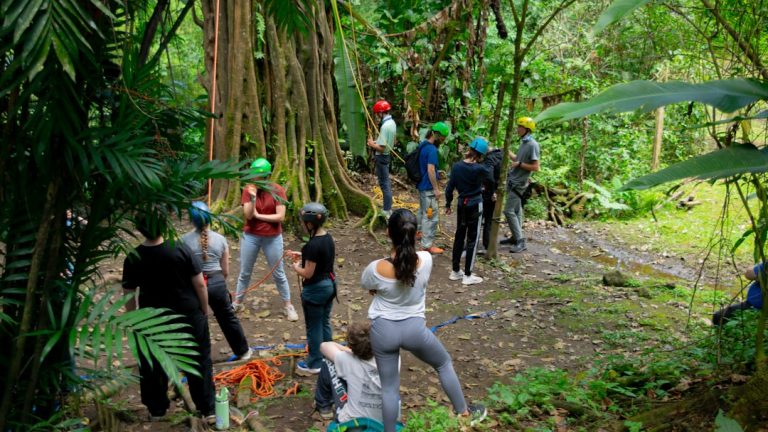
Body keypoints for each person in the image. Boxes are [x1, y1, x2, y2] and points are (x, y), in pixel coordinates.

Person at [361, 209, 486, 432]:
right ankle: (464, 412)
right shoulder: (427, 260)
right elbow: (409, 276)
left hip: (383, 331)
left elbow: (368, 285)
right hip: (414, 330)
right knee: (443, 363)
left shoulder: (375, 267)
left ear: (388, 233)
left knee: (389, 388)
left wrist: (378, 291)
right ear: (417, 233)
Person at [122, 210, 215, 421]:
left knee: (152, 363)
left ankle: (156, 409)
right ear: (164, 226)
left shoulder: (133, 257)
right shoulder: (181, 249)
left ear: (140, 229)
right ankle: (207, 408)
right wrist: (204, 309)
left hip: (152, 321)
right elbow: (200, 283)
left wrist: (133, 320)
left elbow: (128, 294)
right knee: (198, 361)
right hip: (188, 317)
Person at [182, 201, 252, 361]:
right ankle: (243, 352)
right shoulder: (220, 239)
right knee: (227, 317)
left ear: (192, 221)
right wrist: (219, 284)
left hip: (193, 285)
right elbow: (225, 270)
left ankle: (195, 358)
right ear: (210, 219)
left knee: (194, 319)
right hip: (216, 282)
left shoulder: (183, 241)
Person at [234, 157, 299, 321]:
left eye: (259, 175)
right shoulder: (248, 190)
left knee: (279, 273)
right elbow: (248, 215)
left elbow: (280, 216)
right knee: (245, 272)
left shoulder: (277, 190)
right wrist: (253, 197)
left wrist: (259, 215)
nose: (256, 178)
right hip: (251, 236)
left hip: (273, 237)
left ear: (266, 176)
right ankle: (237, 302)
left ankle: (288, 305)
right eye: (254, 175)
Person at [290, 202, 336, 375]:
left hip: (315, 290)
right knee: (324, 321)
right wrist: (304, 256)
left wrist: (296, 267)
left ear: (310, 223)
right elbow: (320, 258)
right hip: (329, 286)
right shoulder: (328, 238)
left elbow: (308, 273)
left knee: (314, 326)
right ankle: (330, 356)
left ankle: (314, 362)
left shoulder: (312, 245)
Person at [314, 322, 387, 424]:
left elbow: (324, 346)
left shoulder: (346, 359)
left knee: (328, 361)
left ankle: (324, 406)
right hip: (386, 420)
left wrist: (347, 350)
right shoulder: (394, 359)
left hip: (353, 422)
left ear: (352, 347)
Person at [445, 137, 491, 285]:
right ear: (480, 155)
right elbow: (491, 178)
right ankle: (468, 275)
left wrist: (447, 204)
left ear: (470, 150)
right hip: (475, 204)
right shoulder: (480, 169)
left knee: (459, 236)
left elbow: (449, 188)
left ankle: (455, 271)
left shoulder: (457, 166)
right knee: (472, 238)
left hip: (461, 204)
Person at [501, 116, 540, 253]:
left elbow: (536, 167)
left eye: (520, 127)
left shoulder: (532, 145)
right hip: (513, 180)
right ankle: (515, 237)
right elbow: (517, 160)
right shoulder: (524, 143)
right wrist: (506, 151)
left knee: (508, 211)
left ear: (527, 129)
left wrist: (519, 164)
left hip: (519, 183)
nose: (517, 129)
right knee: (517, 211)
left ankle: (520, 241)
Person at [417, 122, 451, 254]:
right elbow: (430, 169)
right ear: (436, 135)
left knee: (422, 211)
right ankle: (426, 245)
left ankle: (418, 232)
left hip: (421, 186)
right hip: (428, 189)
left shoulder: (423, 145)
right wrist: (436, 189)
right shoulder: (431, 150)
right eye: (442, 139)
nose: (443, 141)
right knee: (431, 216)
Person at [367, 100, 396, 219]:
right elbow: (389, 142)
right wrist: (375, 142)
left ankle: (387, 210)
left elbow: (382, 148)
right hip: (387, 156)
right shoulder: (392, 123)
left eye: (377, 114)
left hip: (382, 157)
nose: (377, 116)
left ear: (380, 113)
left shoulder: (385, 126)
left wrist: (371, 144)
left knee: (384, 184)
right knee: (385, 183)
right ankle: (388, 208)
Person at [480, 143, 503, 254]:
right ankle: (487, 244)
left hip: (488, 192)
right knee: (489, 220)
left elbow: (489, 176)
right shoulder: (502, 155)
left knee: (480, 218)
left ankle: (472, 243)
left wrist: (492, 190)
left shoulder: (489, 158)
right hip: (497, 192)